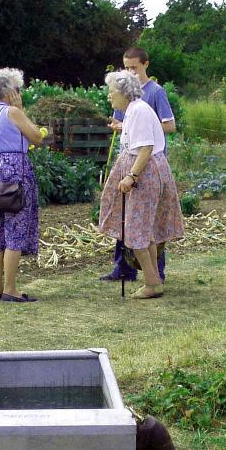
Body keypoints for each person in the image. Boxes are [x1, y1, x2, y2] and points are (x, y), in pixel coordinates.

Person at [98, 70, 184, 299]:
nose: (109, 96)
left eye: (112, 92)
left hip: (144, 177)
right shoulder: (133, 111)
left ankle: (153, 283)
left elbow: (145, 149)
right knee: (146, 232)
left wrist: (131, 177)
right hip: (143, 174)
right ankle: (153, 280)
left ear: (125, 92)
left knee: (136, 232)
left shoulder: (139, 112)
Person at [0, 68, 42, 302]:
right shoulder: (13, 112)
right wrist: (21, 110)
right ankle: (11, 288)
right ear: (10, 92)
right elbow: (36, 137)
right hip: (14, 173)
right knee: (16, 229)